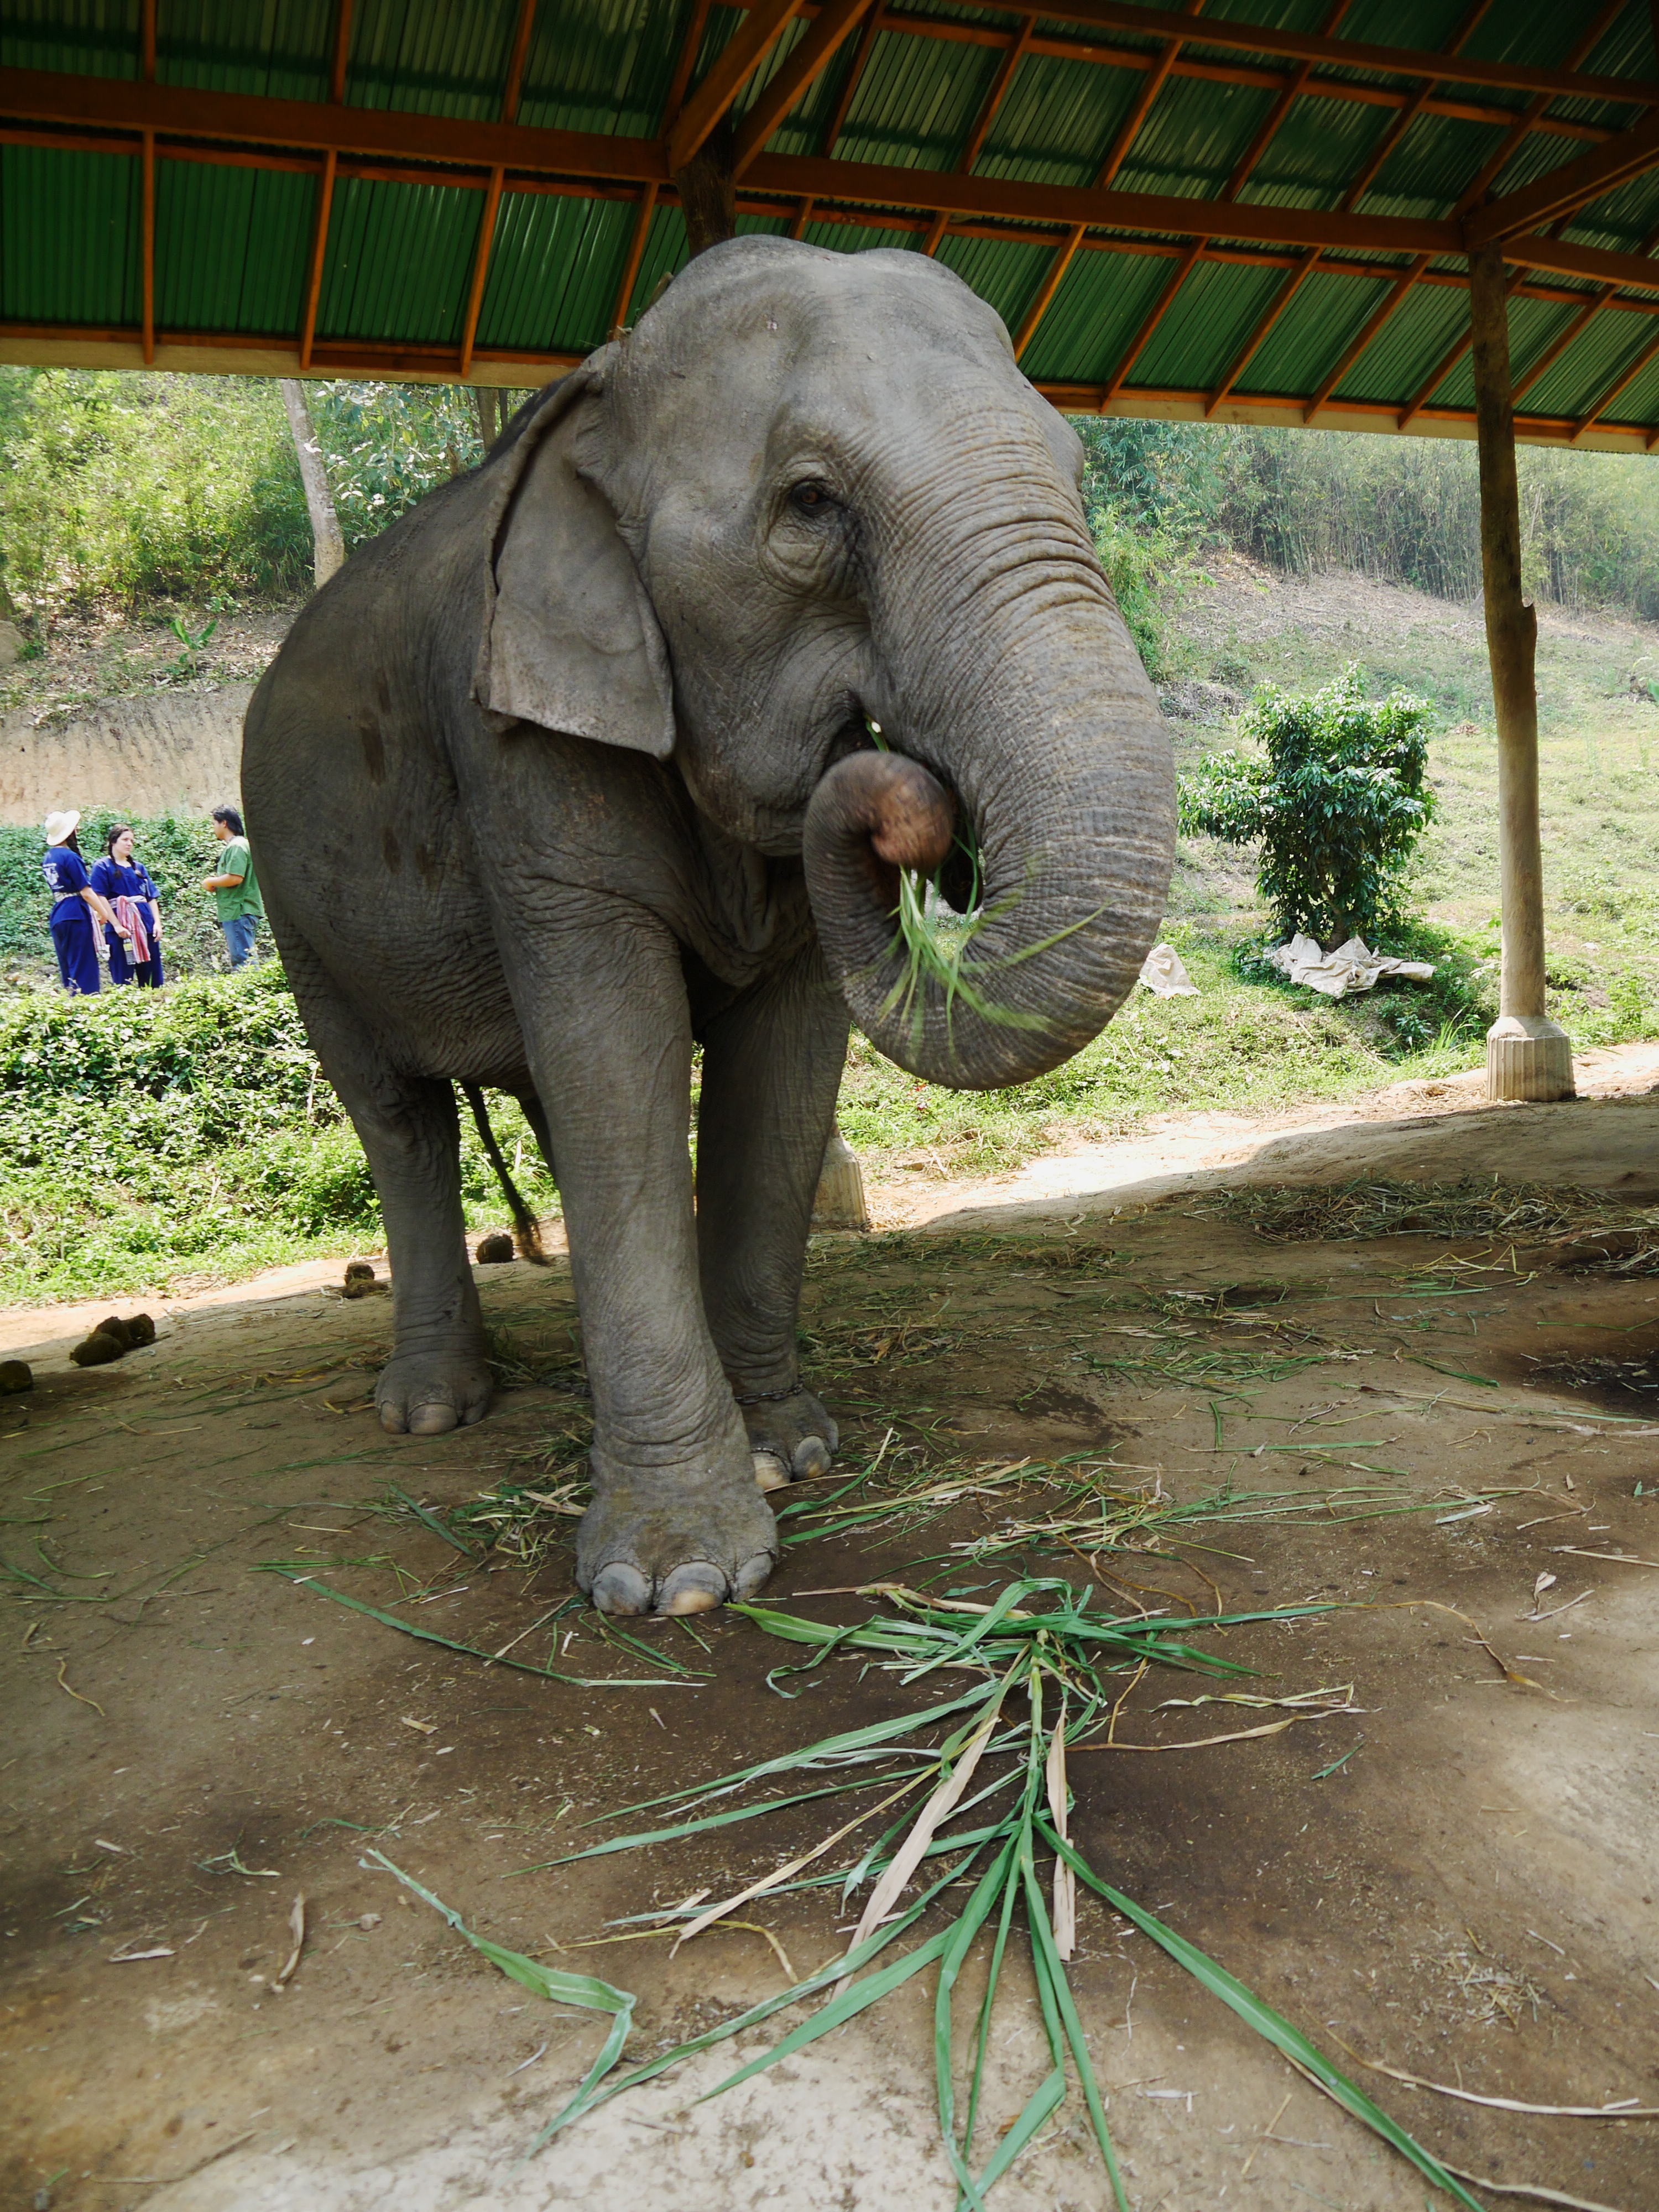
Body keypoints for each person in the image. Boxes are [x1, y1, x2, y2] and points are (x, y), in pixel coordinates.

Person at [42, 809, 129, 995]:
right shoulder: (70, 857)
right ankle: (87, 1002)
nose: (78, 830)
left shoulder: (48, 857)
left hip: (58, 914)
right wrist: (103, 914)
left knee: (68, 966)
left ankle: (72, 1002)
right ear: (69, 833)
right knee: (83, 965)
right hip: (75, 913)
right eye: (75, 828)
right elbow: (87, 892)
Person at [91, 824, 164, 988]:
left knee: (152, 975)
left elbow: (151, 897)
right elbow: (101, 897)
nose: (129, 844)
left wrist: (157, 923)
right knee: (123, 977)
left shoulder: (139, 868)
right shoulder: (102, 867)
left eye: (132, 841)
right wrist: (117, 925)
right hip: (120, 927)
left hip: (145, 924)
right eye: (125, 840)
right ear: (113, 842)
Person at [201, 804, 263, 968]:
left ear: (224, 823)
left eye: (214, 824)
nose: (213, 828)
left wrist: (211, 881)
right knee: (245, 958)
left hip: (238, 911)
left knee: (243, 961)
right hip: (239, 911)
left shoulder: (237, 846)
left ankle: (250, 985)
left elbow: (235, 878)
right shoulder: (239, 845)